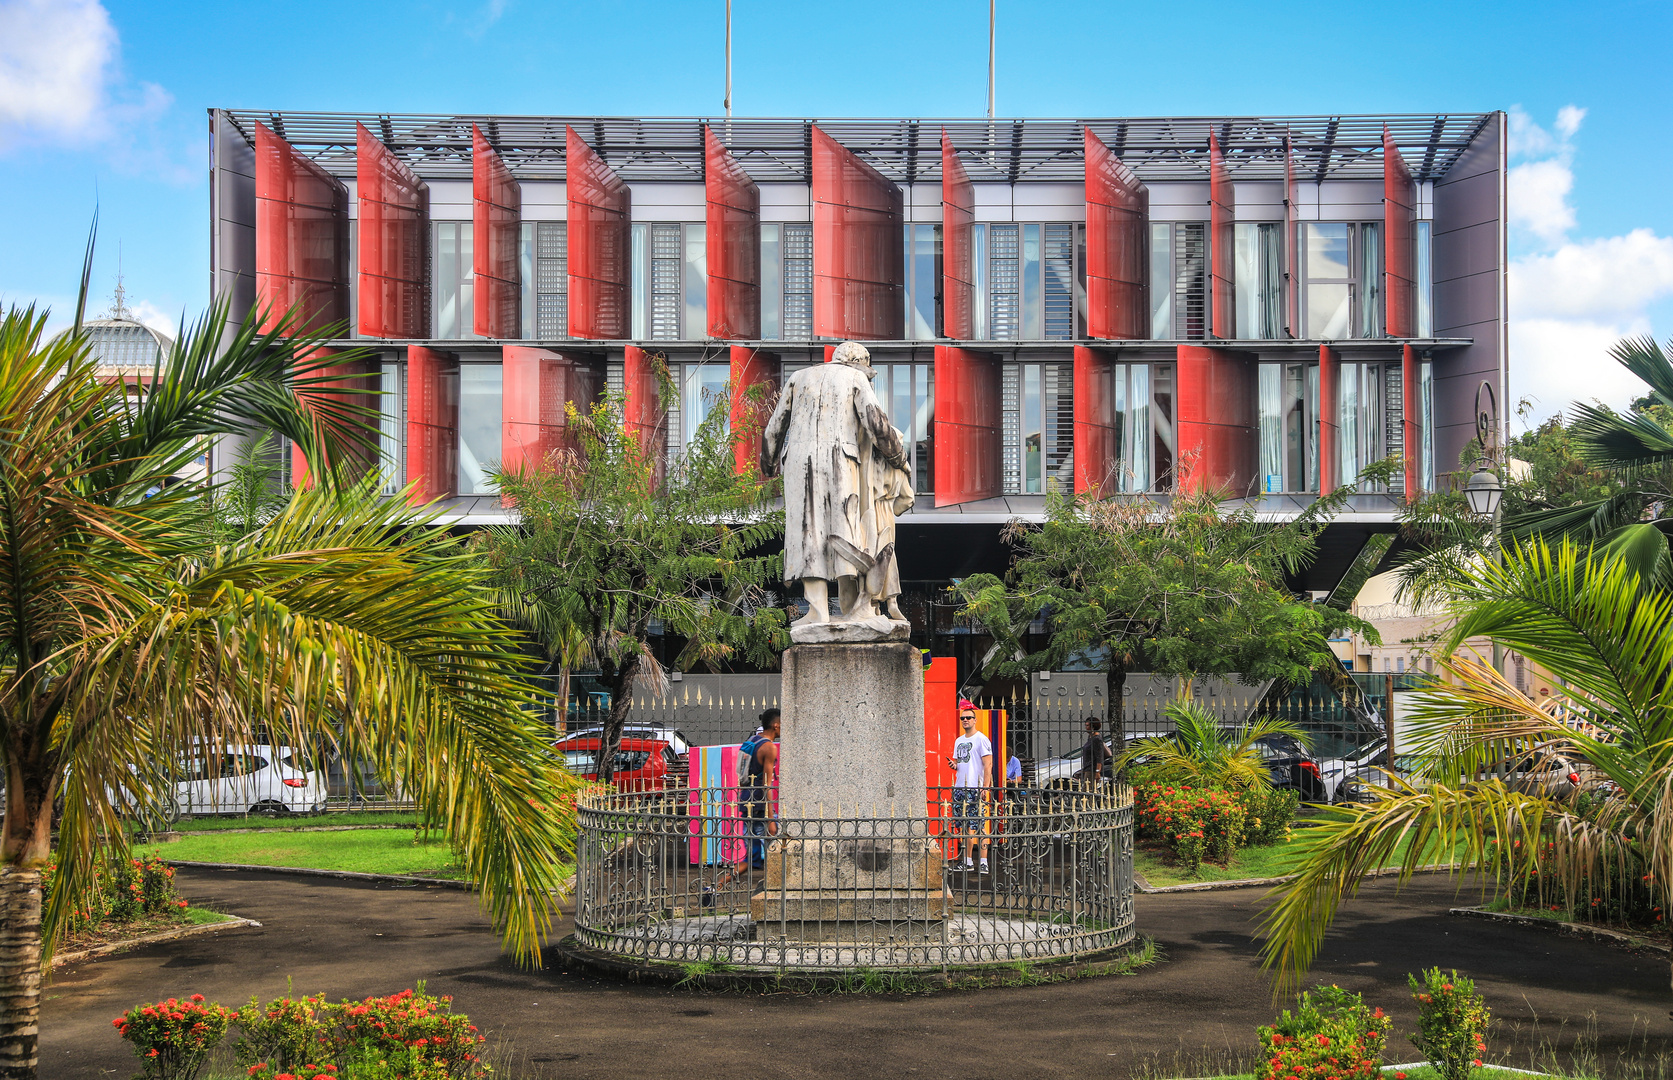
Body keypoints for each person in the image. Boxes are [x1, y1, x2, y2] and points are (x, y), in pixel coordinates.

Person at [944, 700, 993, 874]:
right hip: (960, 787)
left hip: (975, 787)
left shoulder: (981, 739)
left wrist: (985, 787)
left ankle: (984, 861)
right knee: (964, 826)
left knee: (979, 825)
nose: (965, 720)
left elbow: (988, 764)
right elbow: (960, 762)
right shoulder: (959, 741)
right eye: (963, 718)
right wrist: (954, 765)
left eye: (968, 718)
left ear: (975, 719)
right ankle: (967, 860)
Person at [1076, 716, 1111, 784]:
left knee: (1088, 789)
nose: (1086, 728)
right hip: (1087, 768)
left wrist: (1097, 771)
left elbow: (1099, 756)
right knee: (1090, 789)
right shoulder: (1091, 737)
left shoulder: (1096, 739)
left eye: (1087, 726)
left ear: (1093, 727)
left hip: (1092, 769)